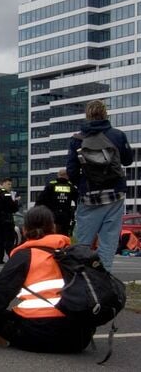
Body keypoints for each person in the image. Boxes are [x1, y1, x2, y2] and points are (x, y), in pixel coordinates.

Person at [0, 206, 96, 353]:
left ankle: (4, 338)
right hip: (79, 338)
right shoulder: (72, 253)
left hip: (42, 335)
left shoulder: (25, 256)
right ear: (53, 228)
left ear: (24, 230)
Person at [67, 100, 133, 270]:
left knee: (83, 242)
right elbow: (127, 160)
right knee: (108, 241)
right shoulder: (117, 135)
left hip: (89, 195)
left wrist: (83, 186)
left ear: (87, 115)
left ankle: (81, 278)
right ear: (105, 114)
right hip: (115, 194)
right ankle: (104, 281)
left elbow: (72, 171)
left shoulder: (77, 139)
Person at [35, 169, 78, 237]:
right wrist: (74, 210)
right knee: (64, 236)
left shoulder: (51, 185)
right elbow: (78, 201)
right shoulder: (71, 187)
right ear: (67, 176)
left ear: (58, 175)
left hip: (52, 216)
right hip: (65, 216)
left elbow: (40, 200)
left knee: (52, 235)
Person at [0, 178, 20, 257]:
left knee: (0, 239)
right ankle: (11, 255)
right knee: (9, 239)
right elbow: (13, 207)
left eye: (10, 184)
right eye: (8, 184)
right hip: (7, 219)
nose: (10, 186)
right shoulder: (6, 194)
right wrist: (16, 201)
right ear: (3, 184)